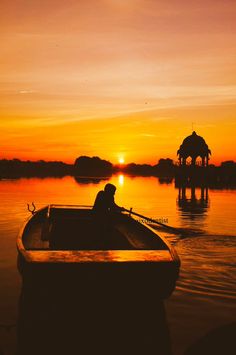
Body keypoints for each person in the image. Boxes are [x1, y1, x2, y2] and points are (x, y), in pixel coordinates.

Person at [92, 183, 124, 248]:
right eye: (113, 192)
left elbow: (113, 205)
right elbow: (112, 206)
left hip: (103, 216)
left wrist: (120, 208)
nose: (114, 193)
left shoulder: (109, 196)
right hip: (98, 216)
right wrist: (119, 208)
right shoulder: (101, 194)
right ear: (109, 191)